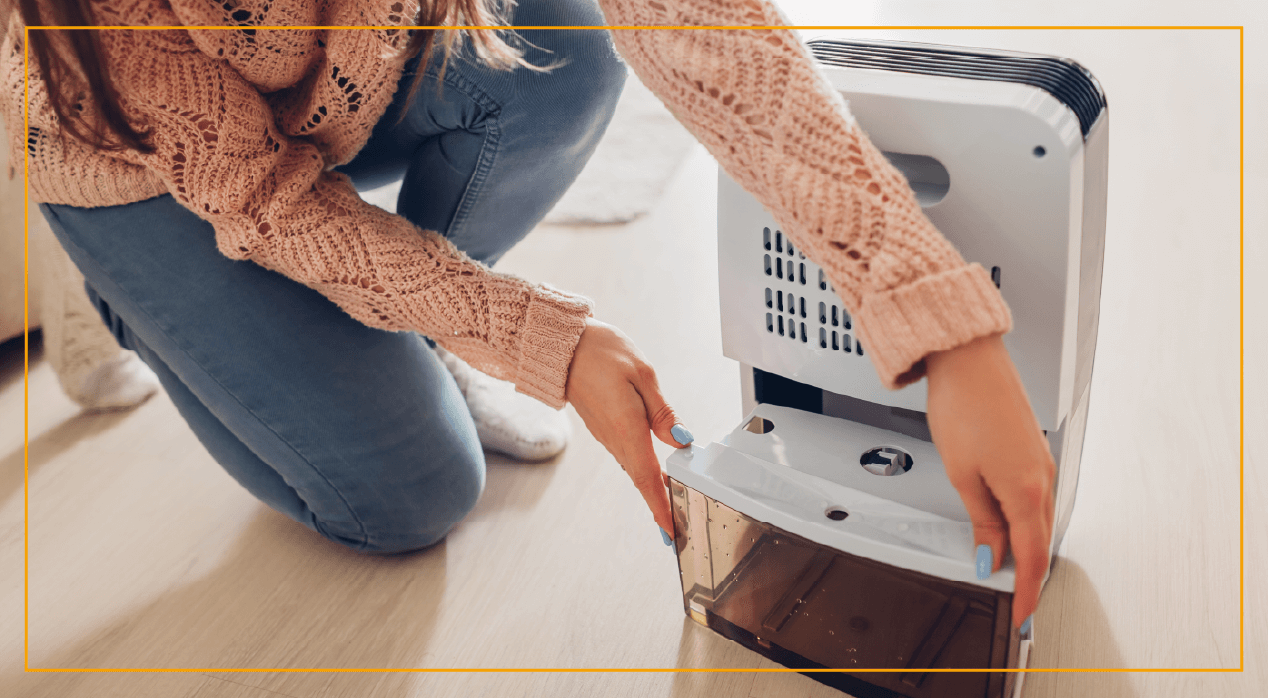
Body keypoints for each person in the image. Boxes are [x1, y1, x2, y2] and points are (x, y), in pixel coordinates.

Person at [2, 0, 1055, 627]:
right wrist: (543, 340)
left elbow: (692, 24)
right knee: (410, 497)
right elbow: (273, 205)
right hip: (138, 148)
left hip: (344, 76)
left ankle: (417, 320)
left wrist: (928, 310)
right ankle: (122, 289)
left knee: (568, 43)